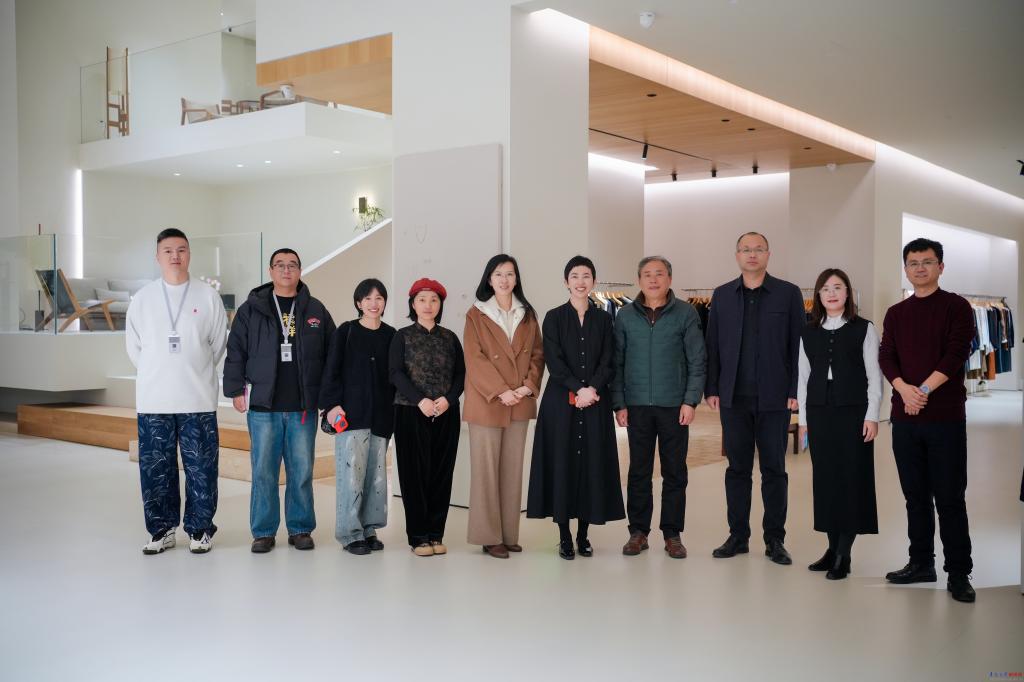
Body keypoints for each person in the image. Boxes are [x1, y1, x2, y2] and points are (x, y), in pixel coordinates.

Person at [879, 238, 977, 603]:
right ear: (905, 268)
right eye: (913, 262)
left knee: (950, 497)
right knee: (915, 496)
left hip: (945, 418)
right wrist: (904, 390)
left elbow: (956, 353)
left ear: (941, 267)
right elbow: (886, 356)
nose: (920, 268)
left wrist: (921, 391)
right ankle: (921, 563)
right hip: (904, 418)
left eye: (927, 261)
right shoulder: (896, 313)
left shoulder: (957, 307)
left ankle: (959, 572)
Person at [223, 248, 336, 553]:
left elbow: (332, 355)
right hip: (264, 406)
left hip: (302, 407)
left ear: (300, 271)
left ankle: (300, 528)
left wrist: (328, 397)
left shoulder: (315, 309)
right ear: (270, 271)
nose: (287, 270)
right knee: (264, 472)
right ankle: (263, 532)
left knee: (302, 471)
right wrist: (235, 389)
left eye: (292, 265)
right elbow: (236, 350)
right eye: (280, 265)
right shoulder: (251, 309)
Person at [126, 228, 228, 555]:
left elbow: (218, 345)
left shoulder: (207, 296)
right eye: (168, 250)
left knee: (202, 470)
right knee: (156, 470)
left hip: (197, 397)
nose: (175, 256)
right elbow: (134, 349)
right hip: (154, 399)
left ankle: (200, 530)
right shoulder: (142, 299)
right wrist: (159, 371)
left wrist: (192, 369)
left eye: (181, 249)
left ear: (189, 254)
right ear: (157, 256)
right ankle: (162, 530)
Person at [704, 232, 804, 565]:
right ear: (737, 255)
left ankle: (775, 539)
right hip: (734, 397)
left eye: (758, 249)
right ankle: (738, 536)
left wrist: (795, 391)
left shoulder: (788, 294)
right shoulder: (721, 295)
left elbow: (798, 346)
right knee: (737, 469)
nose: (752, 254)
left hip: (775, 398)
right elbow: (713, 344)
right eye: (745, 249)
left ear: (768, 254)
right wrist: (712, 387)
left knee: (774, 469)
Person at [527, 256, 625, 560]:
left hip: (594, 401)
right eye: (574, 276)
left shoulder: (604, 319)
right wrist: (579, 389)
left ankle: (583, 535)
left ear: (594, 281)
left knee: (591, 465)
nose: (580, 281)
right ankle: (564, 537)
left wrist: (592, 389)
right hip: (561, 403)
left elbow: (609, 360)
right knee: (563, 464)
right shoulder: (554, 317)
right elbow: (554, 361)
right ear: (566, 282)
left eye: (586, 276)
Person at [612, 256, 706, 560]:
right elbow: (617, 363)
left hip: (673, 406)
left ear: (669, 279)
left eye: (659, 274)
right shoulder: (625, 315)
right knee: (638, 471)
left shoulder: (686, 313)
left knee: (675, 472)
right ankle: (638, 532)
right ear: (639, 280)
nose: (653, 280)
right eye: (647, 274)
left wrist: (690, 400)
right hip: (637, 405)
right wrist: (619, 403)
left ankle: (672, 534)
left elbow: (697, 360)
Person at [797, 268, 882, 580]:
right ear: (818, 295)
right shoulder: (808, 331)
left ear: (848, 293)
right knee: (826, 480)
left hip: (853, 411)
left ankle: (844, 554)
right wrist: (804, 421)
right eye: (825, 289)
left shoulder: (864, 328)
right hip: (819, 411)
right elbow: (803, 378)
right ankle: (832, 549)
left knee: (851, 479)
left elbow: (874, 376)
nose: (831, 293)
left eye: (838, 287)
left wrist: (872, 415)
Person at [463, 255, 544, 559]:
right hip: (488, 401)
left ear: (516, 278)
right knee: (485, 472)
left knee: (512, 470)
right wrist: (500, 391)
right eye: (498, 274)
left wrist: (527, 386)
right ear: (489, 279)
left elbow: (538, 355)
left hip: (519, 400)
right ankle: (488, 536)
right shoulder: (476, 314)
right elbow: (474, 358)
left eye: (510, 274)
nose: (504, 280)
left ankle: (508, 534)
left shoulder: (528, 314)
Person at [319, 279, 396, 555]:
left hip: (382, 416)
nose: (374, 304)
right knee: (351, 476)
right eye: (368, 299)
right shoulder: (346, 331)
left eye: (379, 298)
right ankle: (350, 533)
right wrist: (331, 405)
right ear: (358, 303)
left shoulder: (391, 335)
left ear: (384, 303)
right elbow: (331, 370)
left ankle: (369, 529)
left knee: (376, 478)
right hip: (351, 415)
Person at [389, 278, 465, 557]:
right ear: (412, 304)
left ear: (440, 305)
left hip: (446, 412)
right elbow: (395, 373)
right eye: (421, 300)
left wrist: (449, 399)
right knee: (414, 475)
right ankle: (418, 536)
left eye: (434, 300)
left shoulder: (450, 338)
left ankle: (436, 534)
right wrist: (419, 400)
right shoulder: (402, 336)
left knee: (441, 474)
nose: (428, 305)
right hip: (410, 411)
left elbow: (461, 374)